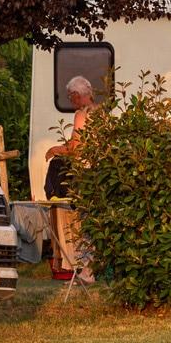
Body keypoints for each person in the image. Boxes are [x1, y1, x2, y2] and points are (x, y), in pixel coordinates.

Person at [44, 75, 96, 283]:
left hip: (86, 172)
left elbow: (76, 148)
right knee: (95, 221)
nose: (71, 101)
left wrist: (56, 149)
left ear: (76, 95)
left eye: (70, 97)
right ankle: (95, 268)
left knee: (85, 222)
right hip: (101, 170)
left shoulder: (82, 115)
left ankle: (87, 271)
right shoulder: (101, 112)